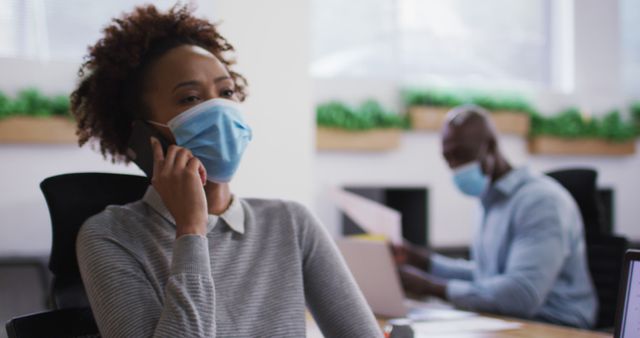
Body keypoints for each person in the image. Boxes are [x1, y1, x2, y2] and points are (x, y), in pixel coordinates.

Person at [71, 5, 380, 338]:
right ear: (144, 136)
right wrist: (191, 231)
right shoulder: (111, 236)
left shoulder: (291, 222)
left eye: (227, 92)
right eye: (190, 98)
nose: (218, 109)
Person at [394, 104, 598, 329]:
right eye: (447, 158)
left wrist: (431, 287)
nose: (454, 166)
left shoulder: (541, 202)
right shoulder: (489, 200)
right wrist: (422, 261)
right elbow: (487, 277)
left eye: (461, 154)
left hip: (557, 327)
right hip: (508, 322)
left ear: (490, 147)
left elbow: (521, 294)